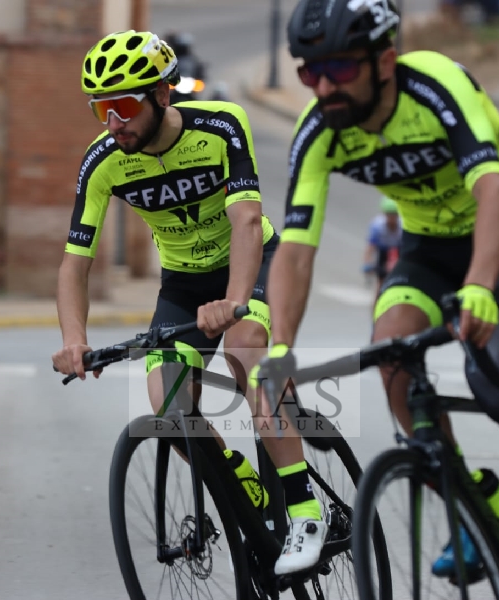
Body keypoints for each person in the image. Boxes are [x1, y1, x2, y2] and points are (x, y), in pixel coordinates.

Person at [254, 0, 499, 578]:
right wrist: (280, 348)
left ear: (385, 60)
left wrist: (479, 288)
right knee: (393, 354)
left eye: (340, 68)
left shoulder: (435, 86)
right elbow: (295, 248)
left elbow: (493, 191)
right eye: (307, 71)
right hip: (429, 252)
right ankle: (476, 509)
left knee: (489, 371)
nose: (323, 85)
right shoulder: (320, 130)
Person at [50, 30, 321, 575]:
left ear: (163, 96)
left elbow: (246, 219)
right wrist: (73, 340)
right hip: (183, 282)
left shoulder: (220, 125)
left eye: (124, 105)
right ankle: (242, 482)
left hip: (251, 261)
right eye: (100, 109)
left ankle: (305, 509)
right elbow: (74, 263)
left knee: (246, 353)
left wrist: (237, 302)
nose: (112, 122)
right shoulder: (102, 161)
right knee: (169, 408)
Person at [363, 196, 403, 306]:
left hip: (398, 249)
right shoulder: (377, 226)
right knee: (380, 285)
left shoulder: (403, 225)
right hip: (383, 249)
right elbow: (370, 248)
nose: (391, 218)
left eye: (394, 214)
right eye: (388, 214)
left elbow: (407, 249)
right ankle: (375, 315)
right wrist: (367, 263)